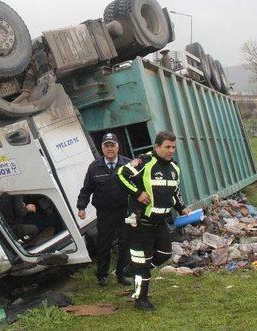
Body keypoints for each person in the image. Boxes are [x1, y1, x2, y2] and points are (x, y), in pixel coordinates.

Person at [116, 130, 191, 310]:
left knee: (165, 254)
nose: (171, 150)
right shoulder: (145, 161)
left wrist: (182, 208)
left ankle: (134, 268)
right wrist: (137, 193)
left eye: (173, 147)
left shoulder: (174, 168)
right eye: (167, 147)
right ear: (157, 146)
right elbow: (121, 174)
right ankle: (140, 300)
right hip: (141, 222)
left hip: (161, 222)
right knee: (143, 264)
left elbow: (175, 192)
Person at [76, 133, 132, 287]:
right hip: (104, 213)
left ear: (117, 146)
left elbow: (138, 187)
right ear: (102, 147)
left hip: (124, 211)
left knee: (125, 242)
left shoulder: (127, 165)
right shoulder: (94, 167)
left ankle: (121, 274)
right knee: (103, 244)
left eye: (112, 145)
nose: (110, 148)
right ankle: (102, 276)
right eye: (106, 145)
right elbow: (86, 189)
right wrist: (81, 207)